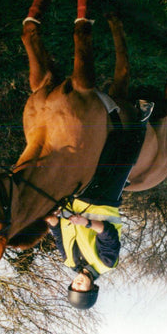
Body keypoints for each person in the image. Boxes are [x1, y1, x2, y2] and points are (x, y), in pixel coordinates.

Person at [45, 96, 153, 310]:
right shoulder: (106, 264)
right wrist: (85, 223)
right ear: (91, 288)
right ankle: (143, 118)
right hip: (104, 199)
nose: (76, 285)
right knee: (124, 160)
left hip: (73, 201)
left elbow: (58, 234)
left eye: (73, 287)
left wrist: (50, 221)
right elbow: (108, 234)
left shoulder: (68, 261)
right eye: (80, 289)